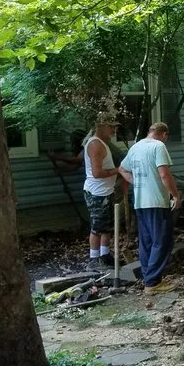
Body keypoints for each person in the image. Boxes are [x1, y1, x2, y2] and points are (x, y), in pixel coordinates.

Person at [49, 113, 121, 269]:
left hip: (105, 191)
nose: (114, 130)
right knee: (97, 228)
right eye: (112, 127)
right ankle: (94, 259)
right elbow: (97, 173)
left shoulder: (102, 142)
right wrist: (118, 170)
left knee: (106, 226)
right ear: (101, 127)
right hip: (97, 193)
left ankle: (105, 255)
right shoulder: (95, 145)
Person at [117, 122, 181, 294]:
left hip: (140, 202)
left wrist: (137, 182)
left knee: (147, 242)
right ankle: (152, 283)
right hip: (156, 202)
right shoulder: (158, 146)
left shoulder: (135, 147)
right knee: (162, 241)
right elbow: (164, 174)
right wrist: (175, 195)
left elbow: (122, 169)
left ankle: (148, 278)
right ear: (164, 134)